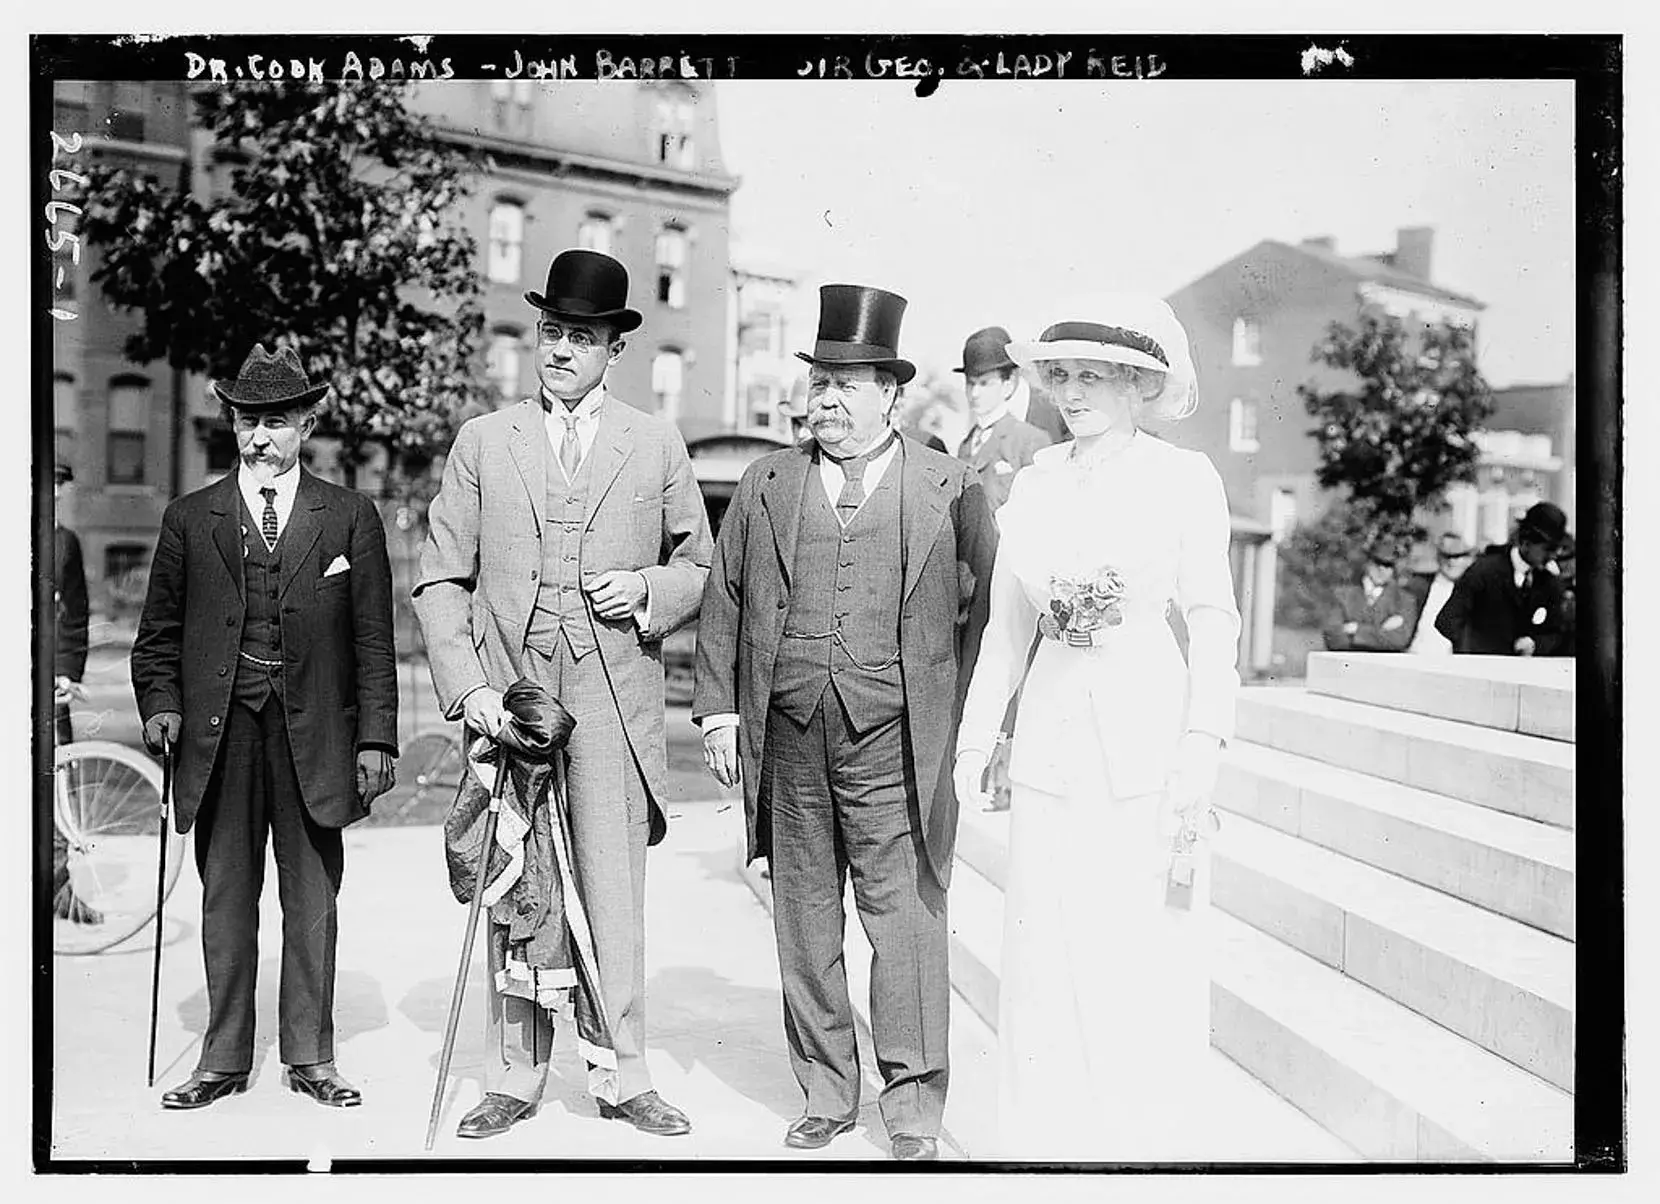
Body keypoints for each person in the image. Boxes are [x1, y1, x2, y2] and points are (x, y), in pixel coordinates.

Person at [693, 283, 998, 1161]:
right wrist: (717, 711)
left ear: (890, 394)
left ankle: (910, 1105)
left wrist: (962, 723)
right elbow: (726, 598)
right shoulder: (767, 483)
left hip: (895, 742)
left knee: (903, 919)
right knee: (804, 916)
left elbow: (985, 615)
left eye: (848, 384)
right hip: (788, 734)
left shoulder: (950, 485)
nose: (826, 399)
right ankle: (826, 1091)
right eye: (820, 381)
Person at [414, 248, 711, 1141]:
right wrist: (469, 690)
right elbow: (440, 581)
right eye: (551, 332)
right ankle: (512, 1076)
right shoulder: (484, 441)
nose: (559, 349)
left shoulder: (653, 442)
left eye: (580, 337)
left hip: (614, 698)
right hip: (513, 700)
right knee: (519, 881)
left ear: (614, 348)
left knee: (611, 889)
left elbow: (700, 562)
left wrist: (649, 592)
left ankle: (625, 1077)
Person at [952, 295, 1241, 1161]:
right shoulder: (1034, 483)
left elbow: (1214, 617)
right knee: (1040, 958)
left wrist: (1203, 740)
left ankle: (1135, 1148)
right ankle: (1039, 1148)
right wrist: (976, 740)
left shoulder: (1183, 478)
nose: (1071, 392)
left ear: (1138, 384)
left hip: (1148, 738)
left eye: (1091, 377)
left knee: (1134, 955)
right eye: (1062, 375)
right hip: (1050, 741)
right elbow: (1006, 631)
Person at [130, 344, 398, 1111]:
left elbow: (374, 640)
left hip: (316, 735)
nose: (258, 438)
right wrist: (161, 709)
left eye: (274, 422)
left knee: (313, 898)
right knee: (226, 900)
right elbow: (156, 640)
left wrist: (376, 737)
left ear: (306, 422)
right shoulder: (190, 518)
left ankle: (312, 1056)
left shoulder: (349, 516)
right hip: (222, 735)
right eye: (247, 420)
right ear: (233, 421)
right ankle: (222, 1060)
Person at [52, 461, 100, 924]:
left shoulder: (64, 542)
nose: (53, 495)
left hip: (48, 688)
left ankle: (58, 888)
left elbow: (75, 615)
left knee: (58, 785)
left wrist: (65, 673)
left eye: (57, 487)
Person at [1434, 501, 1569, 656]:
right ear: (1526, 542)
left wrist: (1535, 644)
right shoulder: (1484, 571)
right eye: (1548, 549)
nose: (1553, 556)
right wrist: (1478, 652)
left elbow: (1557, 632)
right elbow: (1447, 621)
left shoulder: (1549, 583)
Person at [954, 326, 1053, 514]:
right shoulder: (965, 446)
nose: (975, 393)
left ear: (1008, 385)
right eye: (970, 383)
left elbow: (1041, 510)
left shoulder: (1030, 440)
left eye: (985, 383)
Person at [1322, 543, 1420, 653]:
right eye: (1377, 563)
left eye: (1388, 565)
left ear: (1394, 569)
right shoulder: (1341, 595)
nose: (1381, 570)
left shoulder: (1405, 600)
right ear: (1367, 563)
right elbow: (1333, 637)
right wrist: (1381, 631)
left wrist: (1356, 629)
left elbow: (1400, 640)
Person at [1406, 533, 1475, 654]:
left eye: (1457, 557)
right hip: (1415, 659)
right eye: (1447, 556)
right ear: (1438, 558)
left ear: (1468, 560)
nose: (1452, 562)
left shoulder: (1475, 591)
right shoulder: (1418, 587)